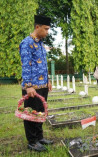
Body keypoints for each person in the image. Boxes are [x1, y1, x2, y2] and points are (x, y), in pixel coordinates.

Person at [19, 15, 53, 152]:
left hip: (43, 85)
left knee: (40, 112)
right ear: (37, 27)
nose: (47, 32)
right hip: (32, 87)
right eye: (45, 29)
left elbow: (43, 64)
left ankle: (39, 137)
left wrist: (48, 80)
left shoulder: (40, 43)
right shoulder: (26, 43)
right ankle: (32, 141)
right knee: (31, 113)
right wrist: (28, 86)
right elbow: (26, 65)